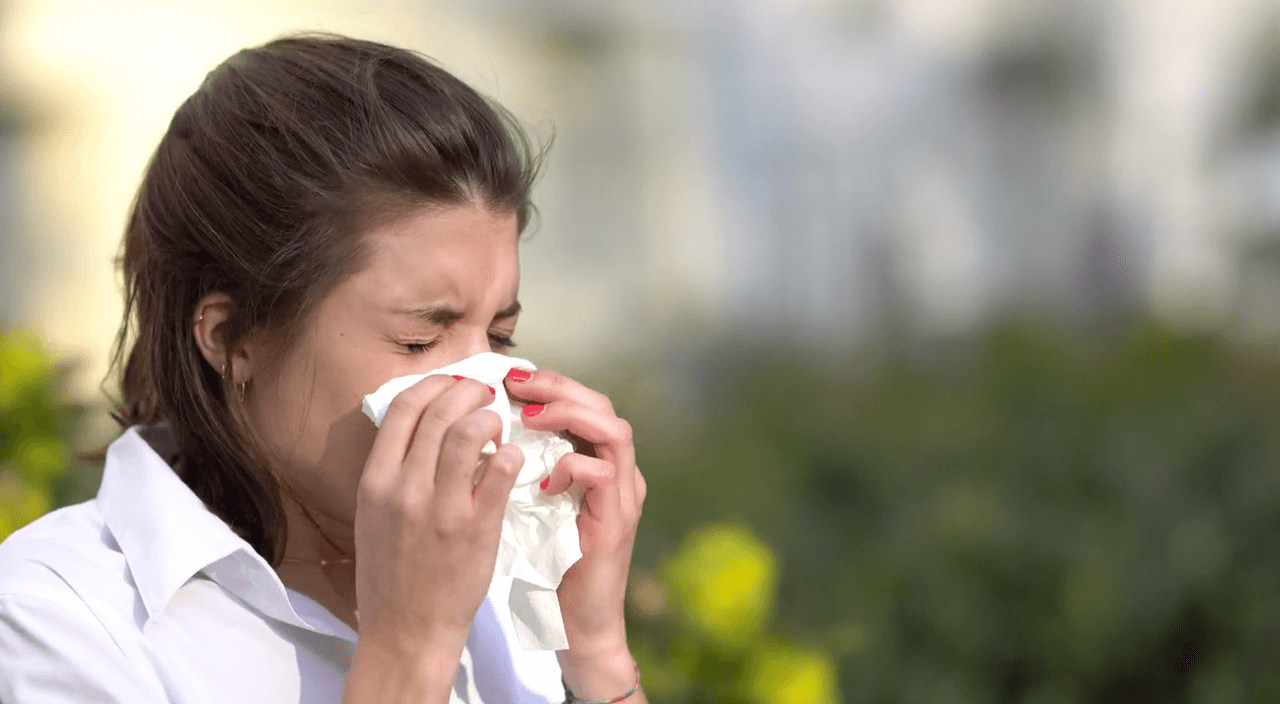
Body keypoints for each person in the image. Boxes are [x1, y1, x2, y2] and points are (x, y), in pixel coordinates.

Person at [0, 34, 647, 704]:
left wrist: (595, 652)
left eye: (500, 335)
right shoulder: (59, 615)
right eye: (419, 340)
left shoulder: (500, 585)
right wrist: (407, 653)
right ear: (231, 337)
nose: (482, 399)